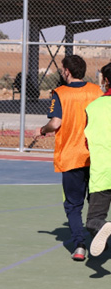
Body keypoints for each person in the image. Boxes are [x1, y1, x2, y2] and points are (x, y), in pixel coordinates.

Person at [34, 55, 102, 261]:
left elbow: (55, 123)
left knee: (73, 204)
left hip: (72, 155)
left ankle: (79, 245)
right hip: (95, 154)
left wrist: (42, 130)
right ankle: (100, 235)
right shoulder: (95, 91)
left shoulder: (60, 93)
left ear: (67, 71)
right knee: (96, 201)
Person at [85, 62, 111, 256]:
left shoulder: (93, 107)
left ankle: (103, 226)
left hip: (102, 171)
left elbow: (86, 140)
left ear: (105, 80)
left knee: (94, 220)